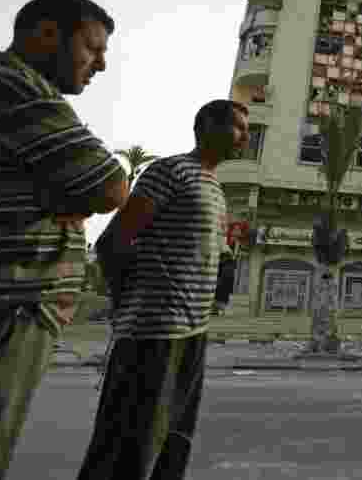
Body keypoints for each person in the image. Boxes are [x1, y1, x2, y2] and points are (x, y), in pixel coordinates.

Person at [0, 0, 129, 479]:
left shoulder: (1, 90)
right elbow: (110, 185)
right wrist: (65, 199)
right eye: (92, 48)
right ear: (45, 35)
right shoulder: (13, 89)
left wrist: (56, 198)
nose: (101, 65)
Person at [76, 100, 248, 480]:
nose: (246, 137)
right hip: (153, 336)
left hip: (192, 335)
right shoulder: (169, 172)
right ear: (207, 127)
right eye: (238, 127)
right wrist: (130, 306)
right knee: (126, 449)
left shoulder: (214, 188)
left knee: (173, 442)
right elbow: (113, 243)